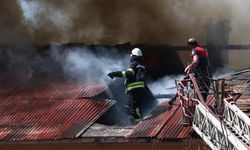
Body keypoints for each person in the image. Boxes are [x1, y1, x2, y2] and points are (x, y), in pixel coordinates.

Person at [108, 48, 156, 124]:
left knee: (132, 108)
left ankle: (136, 124)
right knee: (135, 107)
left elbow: (129, 73)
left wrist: (115, 73)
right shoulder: (142, 65)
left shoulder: (134, 64)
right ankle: (136, 123)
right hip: (140, 89)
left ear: (133, 56)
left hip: (134, 89)